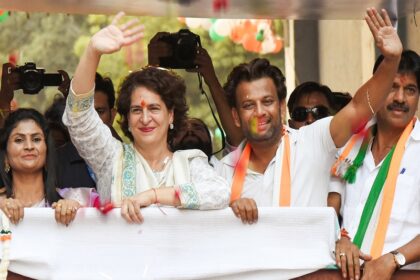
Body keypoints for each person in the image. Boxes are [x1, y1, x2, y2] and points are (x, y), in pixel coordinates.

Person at [215, 8, 403, 225]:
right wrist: (229, 209)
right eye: (249, 105)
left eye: (267, 102)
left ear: (282, 107)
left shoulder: (312, 141)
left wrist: (390, 61)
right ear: (236, 117)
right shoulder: (223, 172)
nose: (260, 112)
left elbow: (359, 107)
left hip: (312, 261)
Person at [63, 12, 230, 224]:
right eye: (136, 110)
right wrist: (92, 52)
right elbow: (79, 120)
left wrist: (153, 195)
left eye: (154, 108)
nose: (145, 118)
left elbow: (219, 192)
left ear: (171, 115)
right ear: (127, 119)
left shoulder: (190, 161)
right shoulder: (111, 157)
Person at [329, 50, 420, 280]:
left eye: (410, 90)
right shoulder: (351, 143)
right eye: (392, 86)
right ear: (376, 88)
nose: (400, 98)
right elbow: (330, 204)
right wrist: (339, 240)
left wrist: (395, 259)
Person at [0, 108, 81, 225]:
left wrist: (79, 211)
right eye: (19, 140)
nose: (29, 146)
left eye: (36, 139)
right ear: (6, 156)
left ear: (47, 151)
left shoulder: (75, 198)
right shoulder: (1, 203)